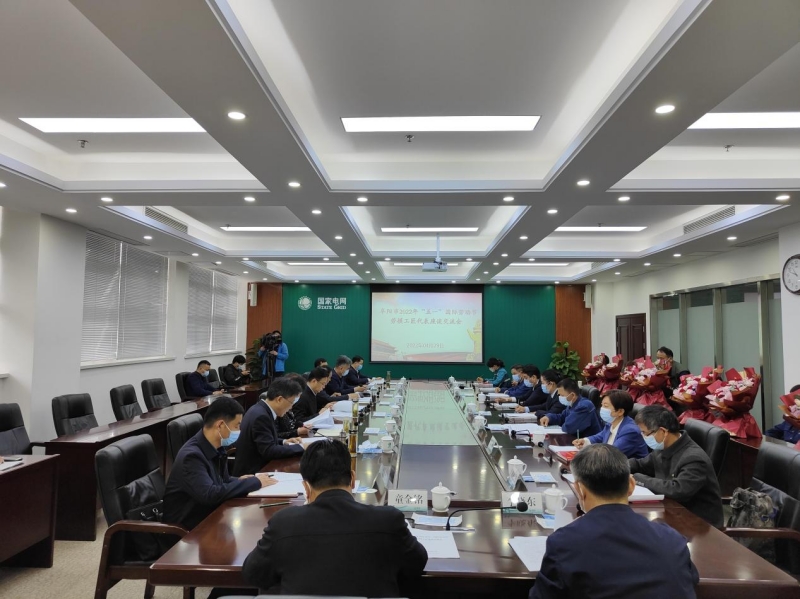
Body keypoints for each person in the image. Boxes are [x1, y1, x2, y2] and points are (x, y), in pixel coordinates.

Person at [242, 439, 428, 596]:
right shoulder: (388, 520)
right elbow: (416, 564)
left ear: (306, 487)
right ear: (352, 479)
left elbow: (253, 574)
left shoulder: (283, 523)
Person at [530, 444, 699, 599]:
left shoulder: (564, 543)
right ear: (631, 485)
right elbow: (691, 580)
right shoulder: (672, 539)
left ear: (580, 489)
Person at [163, 397, 275, 530]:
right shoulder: (191, 457)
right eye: (237, 425)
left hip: (209, 515)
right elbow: (210, 494)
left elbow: (222, 480)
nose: (239, 430)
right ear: (220, 425)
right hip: (188, 529)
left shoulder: (216, 447)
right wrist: (255, 482)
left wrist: (239, 480)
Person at [630, 405, 723, 527]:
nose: (643, 437)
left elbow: (677, 490)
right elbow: (640, 465)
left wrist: (637, 478)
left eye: (645, 433)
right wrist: (616, 467)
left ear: (663, 432)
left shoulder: (694, 458)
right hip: (670, 511)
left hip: (699, 524)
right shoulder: (663, 448)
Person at [232, 377, 305, 476]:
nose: (291, 407)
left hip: (260, 467)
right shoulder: (261, 416)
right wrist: (302, 447)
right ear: (279, 399)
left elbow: (264, 439)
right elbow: (269, 450)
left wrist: (284, 441)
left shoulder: (260, 409)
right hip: (252, 473)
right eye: (291, 403)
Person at [573, 390, 648, 459]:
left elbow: (611, 453)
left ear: (620, 411)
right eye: (602, 405)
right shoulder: (611, 422)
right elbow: (601, 436)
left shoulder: (631, 431)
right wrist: (585, 441)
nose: (602, 409)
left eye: (606, 406)